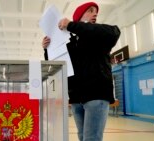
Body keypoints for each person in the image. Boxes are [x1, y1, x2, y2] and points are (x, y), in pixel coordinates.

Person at [42, 1, 120, 141]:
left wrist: (71, 25)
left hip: (96, 95)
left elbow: (113, 33)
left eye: (95, 11)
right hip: (77, 97)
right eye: (90, 10)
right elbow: (57, 64)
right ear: (79, 16)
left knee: (91, 138)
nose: (95, 13)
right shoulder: (70, 43)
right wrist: (47, 49)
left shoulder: (100, 35)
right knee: (83, 136)